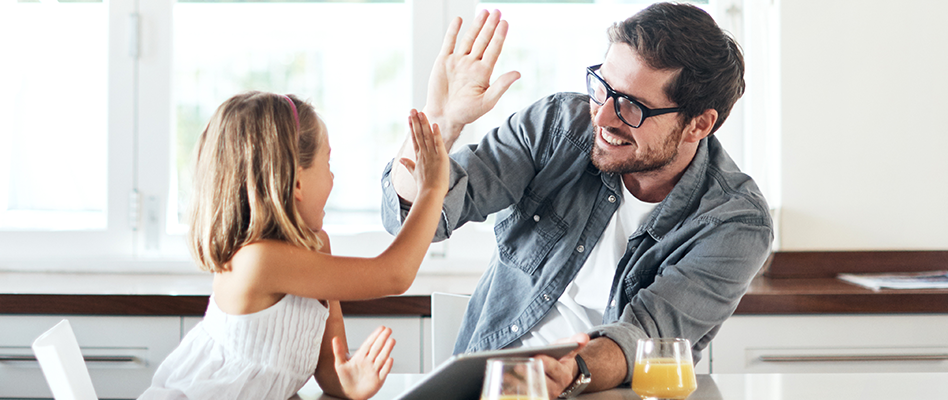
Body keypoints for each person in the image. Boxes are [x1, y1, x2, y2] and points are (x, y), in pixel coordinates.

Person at [382, 3, 772, 398]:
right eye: (602, 87)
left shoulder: (733, 221)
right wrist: (441, 122)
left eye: (631, 106)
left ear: (699, 124)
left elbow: (649, 334)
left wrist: (572, 373)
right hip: (494, 386)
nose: (602, 117)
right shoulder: (557, 126)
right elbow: (416, 222)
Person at [139, 91, 450, 400]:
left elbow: (328, 366)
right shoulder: (257, 261)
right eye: (327, 163)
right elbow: (394, 275)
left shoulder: (316, 248)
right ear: (298, 182)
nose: (333, 178)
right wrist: (432, 189)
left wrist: (347, 382)